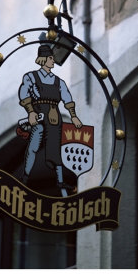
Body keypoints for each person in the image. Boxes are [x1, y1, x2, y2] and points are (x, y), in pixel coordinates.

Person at [18, 44, 82, 196]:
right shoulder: (31, 77)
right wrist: (31, 112)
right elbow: (24, 93)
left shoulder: (58, 81)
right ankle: (24, 178)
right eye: (51, 58)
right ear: (44, 59)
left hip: (54, 115)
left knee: (55, 148)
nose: (53, 61)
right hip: (39, 113)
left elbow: (67, 98)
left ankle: (59, 181)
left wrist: (73, 116)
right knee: (34, 145)